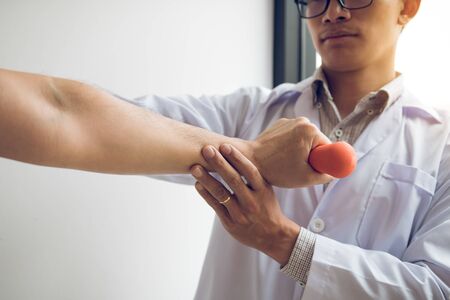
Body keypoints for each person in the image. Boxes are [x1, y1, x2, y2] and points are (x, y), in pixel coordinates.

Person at [0, 0, 449, 299]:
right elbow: (75, 119)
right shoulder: (248, 113)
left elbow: (435, 289)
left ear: (407, 6)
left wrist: (283, 240)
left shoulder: (442, 144)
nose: (330, 12)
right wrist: (251, 153)